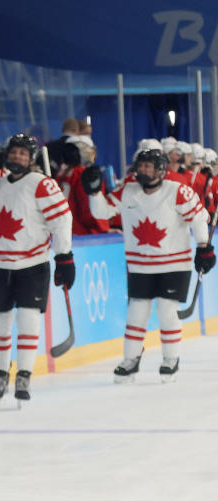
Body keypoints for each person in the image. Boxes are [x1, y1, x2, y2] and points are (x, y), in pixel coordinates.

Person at [85, 149, 213, 382]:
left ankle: (170, 359)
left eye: (148, 166)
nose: (143, 170)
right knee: (136, 313)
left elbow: (198, 217)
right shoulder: (127, 191)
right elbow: (101, 212)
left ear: (161, 169)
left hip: (174, 264)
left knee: (167, 310)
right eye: (141, 165)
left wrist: (204, 246)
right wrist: (94, 192)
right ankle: (131, 360)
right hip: (140, 266)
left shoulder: (177, 191)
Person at [0, 134, 74, 405]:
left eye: (24, 154)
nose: (18, 157)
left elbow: (61, 220)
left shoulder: (42, 184)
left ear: (32, 158)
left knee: (27, 318)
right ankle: (1, 373)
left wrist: (64, 256)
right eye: (14, 153)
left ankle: (24, 373)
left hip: (32, 264)